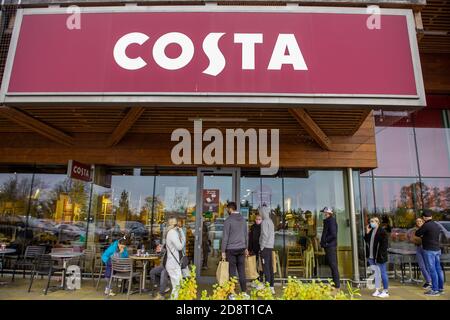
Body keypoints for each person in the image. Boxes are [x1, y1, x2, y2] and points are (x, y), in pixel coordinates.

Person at [221, 202, 249, 297]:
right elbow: (246, 235)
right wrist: (246, 248)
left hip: (231, 249)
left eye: (227, 209)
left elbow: (225, 237)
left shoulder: (228, 220)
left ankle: (232, 294)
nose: (227, 211)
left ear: (230, 209)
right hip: (241, 248)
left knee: (232, 272)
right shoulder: (243, 219)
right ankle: (244, 292)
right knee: (242, 271)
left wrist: (223, 251)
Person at [415, 209, 445, 296]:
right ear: (431, 216)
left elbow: (417, 233)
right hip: (437, 249)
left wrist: (423, 234)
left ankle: (434, 290)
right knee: (438, 269)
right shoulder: (436, 225)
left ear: (424, 218)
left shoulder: (426, 225)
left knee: (432, 270)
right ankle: (440, 288)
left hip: (429, 250)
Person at [364, 217, 389, 298]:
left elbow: (384, 246)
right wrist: (367, 232)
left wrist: (380, 256)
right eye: (370, 221)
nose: (371, 223)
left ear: (377, 222)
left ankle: (386, 291)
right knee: (376, 274)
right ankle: (377, 290)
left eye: (373, 221)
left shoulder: (382, 232)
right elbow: (367, 241)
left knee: (383, 273)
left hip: (379, 257)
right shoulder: (371, 231)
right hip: (371, 256)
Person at [164, 217, 186, 299]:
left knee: (176, 287)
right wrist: (182, 235)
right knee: (177, 287)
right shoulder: (172, 232)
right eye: (177, 224)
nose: (179, 225)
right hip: (173, 264)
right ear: (175, 224)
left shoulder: (169, 232)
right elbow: (180, 247)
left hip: (172, 263)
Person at [320, 207, 340, 289]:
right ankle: (335, 283)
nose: (324, 214)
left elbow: (333, 235)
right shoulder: (329, 220)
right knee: (332, 265)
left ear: (328, 213)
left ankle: (337, 285)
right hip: (329, 246)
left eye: (325, 212)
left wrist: (325, 241)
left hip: (330, 246)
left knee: (333, 265)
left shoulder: (331, 221)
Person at [410, 217, 432, 290]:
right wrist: (420, 239)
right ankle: (429, 281)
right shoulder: (414, 230)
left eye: (420, 221)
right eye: (417, 221)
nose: (419, 222)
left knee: (428, 265)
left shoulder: (426, 228)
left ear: (423, 222)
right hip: (419, 248)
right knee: (422, 266)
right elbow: (412, 239)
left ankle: (429, 282)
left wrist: (419, 239)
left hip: (426, 248)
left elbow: (426, 239)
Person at [259, 204, 275, 294]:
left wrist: (262, 246)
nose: (260, 214)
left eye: (260, 212)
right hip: (270, 247)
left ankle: (268, 286)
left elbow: (265, 235)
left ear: (263, 212)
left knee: (266, 268)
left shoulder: (265, 222)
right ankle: (271, 287)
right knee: (270, 267)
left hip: (265, 248)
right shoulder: (270, 221)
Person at [248, 213, 262, 282]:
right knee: (254, 263)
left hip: (261, 248)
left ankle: (261, 278)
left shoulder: (263, 227)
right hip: (254, 248)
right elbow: (250, 238)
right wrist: (249, 249)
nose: (258, 220)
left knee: (261, 264)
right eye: (256, 219)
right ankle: (255, 278)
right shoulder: (253, 227)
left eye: (259, 219)